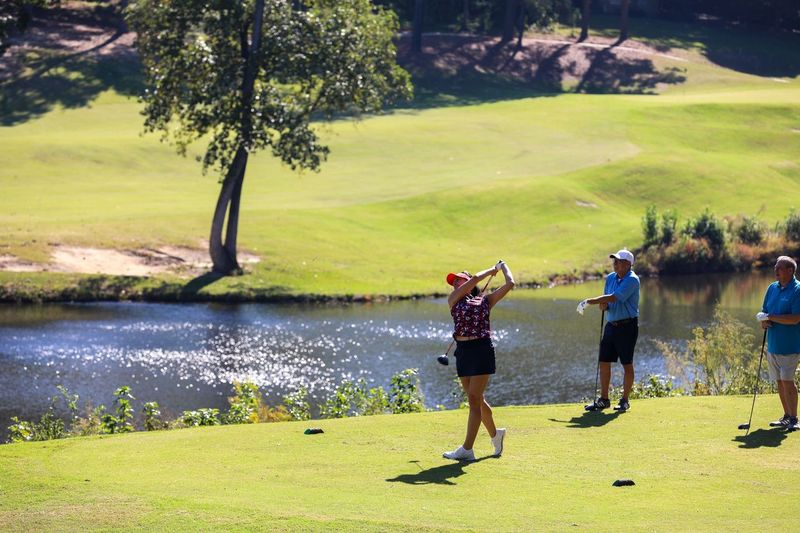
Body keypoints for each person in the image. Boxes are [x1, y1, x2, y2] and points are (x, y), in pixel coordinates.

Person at [442, 260, 515, 462]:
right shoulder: (453, 300)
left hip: (482, 349)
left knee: (474, 399)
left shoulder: (486, 301)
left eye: (459, 280)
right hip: (463, 352)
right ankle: (496, 434)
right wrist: (490, 271)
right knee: (477, 399)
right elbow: (475, 279)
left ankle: (467, 449)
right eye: (454, 282)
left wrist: (503, 267)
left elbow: (510, 284)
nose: (456, 284)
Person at [578, 249, 640, 412]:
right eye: (614, 261)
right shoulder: (611, 278)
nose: (615, 264)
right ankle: (604, 400)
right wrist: (602, 305)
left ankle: (624, 400)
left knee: (627, 363)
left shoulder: (632, 280)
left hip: (627, 326)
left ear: (627, 264)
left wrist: (590, 301)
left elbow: (614, 297)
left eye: (618, 261)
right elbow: (606, 301)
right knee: (604, 361)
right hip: (611, 325)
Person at [759, 256, 800, 431]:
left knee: (787, 380)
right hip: (773, 344)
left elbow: (795, 318)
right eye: (775, 267)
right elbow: (765, 311)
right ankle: (786, 416)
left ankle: (794, 418)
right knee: (779, 381)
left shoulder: (797, 290)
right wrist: (764, 321)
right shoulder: (772, 288)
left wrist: (772, 317)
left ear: (790, 271)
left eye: (780, 268)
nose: (776, 271)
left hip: (791, 346)